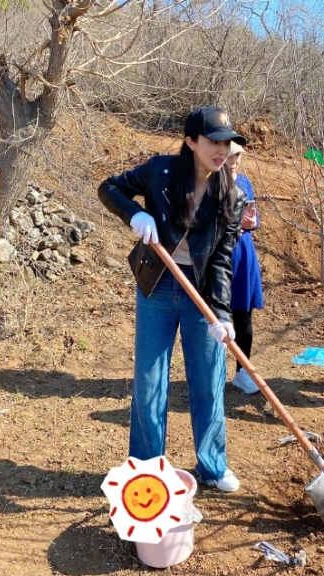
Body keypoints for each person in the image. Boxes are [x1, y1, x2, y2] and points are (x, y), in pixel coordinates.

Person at [98, 106, 247, 491]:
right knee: (149, 382)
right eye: (213, 141)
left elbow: (221, 259)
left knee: (208, 380)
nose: (222, 149)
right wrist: (135, 214)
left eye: (226, 142)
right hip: (158, 288)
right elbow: (109, 188)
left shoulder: (232, 195)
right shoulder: (160, 171)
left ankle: (213, 467)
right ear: (191, 141)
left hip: (201, 293)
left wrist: (222, 313)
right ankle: (147, 469)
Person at [225, 141, 264, 394]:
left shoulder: (245, 181)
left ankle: (243, 371)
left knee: (243, 316)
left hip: (243, 253)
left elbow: (254, 219)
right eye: (230, 155)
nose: (234, 160)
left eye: (237, 155)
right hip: (219, 253)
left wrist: (251, 223)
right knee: (213, 317)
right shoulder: (208, 181)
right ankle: (211, 372)